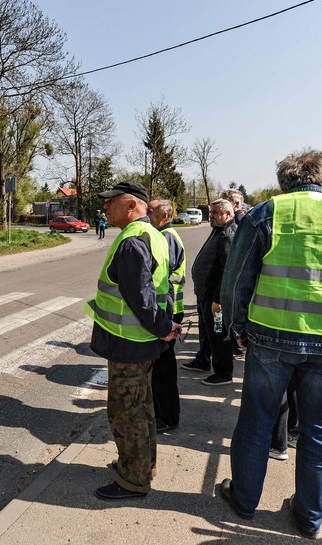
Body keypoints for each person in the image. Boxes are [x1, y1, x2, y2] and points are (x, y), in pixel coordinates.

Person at [219, 149, 322, 538]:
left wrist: (236, 328)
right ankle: (310, 517)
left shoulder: (268, 212)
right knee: (321, 430)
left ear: (285, 182)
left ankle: (244, 500)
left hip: (272, 335)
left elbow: (236, 281)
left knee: (256, 421)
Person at [84, 181, 182, 501]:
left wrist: (163, 327)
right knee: (143, 408)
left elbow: (141, 299)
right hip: (141, 342)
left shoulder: (131, 241)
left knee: (126, 413)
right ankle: (142, 465)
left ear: (131, 206)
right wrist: (164, 327)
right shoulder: (153, 234)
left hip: (129, 342)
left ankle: (132, 480)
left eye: (111, 202)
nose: (105, 208)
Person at [147, 197, 185, 432]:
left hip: (169, 311)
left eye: (150, 211)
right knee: (161, 368)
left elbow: (163, 278)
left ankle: (168, 418)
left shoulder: (166, 237)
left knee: (164, 370)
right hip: (168, 309)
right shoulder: (164, 234)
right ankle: (162, 413)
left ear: (163, 216)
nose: (146, 215)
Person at [199, 199, 238, 386]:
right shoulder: (221, 230)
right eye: (211, 212)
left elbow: (227, 271)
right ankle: (220, 368)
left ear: (228, 214)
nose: (211, 215)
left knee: (219, 334)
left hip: (217, 301)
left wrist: (217, 299)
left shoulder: (228, 235)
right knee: (215, 334)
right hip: (212, 296)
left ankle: (223, 373)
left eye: (215, 212)